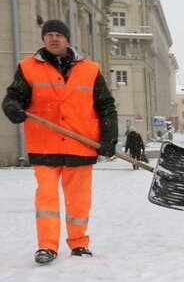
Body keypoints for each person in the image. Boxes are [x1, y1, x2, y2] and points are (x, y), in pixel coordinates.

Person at [3, 19, 118, 265]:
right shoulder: (28, 67)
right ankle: (47, 246)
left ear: (67, 39)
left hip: (81, 144)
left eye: (59, 35)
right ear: (44, 39)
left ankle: (78, 243)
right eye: (49, 35)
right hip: (44, 145)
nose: (54, 38)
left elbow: (106, 106)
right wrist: (11, 107)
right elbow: (15, 97)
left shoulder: (90, 69)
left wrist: (109, 138)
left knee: (79, 199)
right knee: (47, 199)